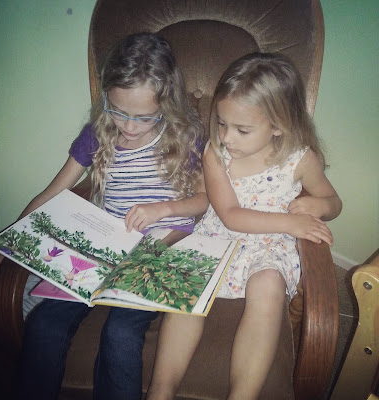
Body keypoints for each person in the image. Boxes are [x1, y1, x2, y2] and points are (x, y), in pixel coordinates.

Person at [0, 32, 208, 400]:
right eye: (118, 111)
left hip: (160, 250)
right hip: (105, 246)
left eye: (143, 118)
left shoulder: (185, 136)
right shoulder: (98, 134)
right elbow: (52, 194)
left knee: (121, 333)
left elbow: (203, 200)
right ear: (106, 98)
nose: (128, 127)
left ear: (166, 104)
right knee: (45, 323)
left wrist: (163, 209)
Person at [146, 52, 342, 400]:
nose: (227, 138)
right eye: (221, 123)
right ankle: (161, 389)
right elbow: (230, 215)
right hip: (218, 236)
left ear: (278, 125)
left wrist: (320, 205)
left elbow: (334, 201)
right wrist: (292, 221)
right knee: (188, 286)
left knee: (268, 286)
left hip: (269, 245)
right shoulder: (215, 154)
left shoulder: (300, 159)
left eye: (242, 130)